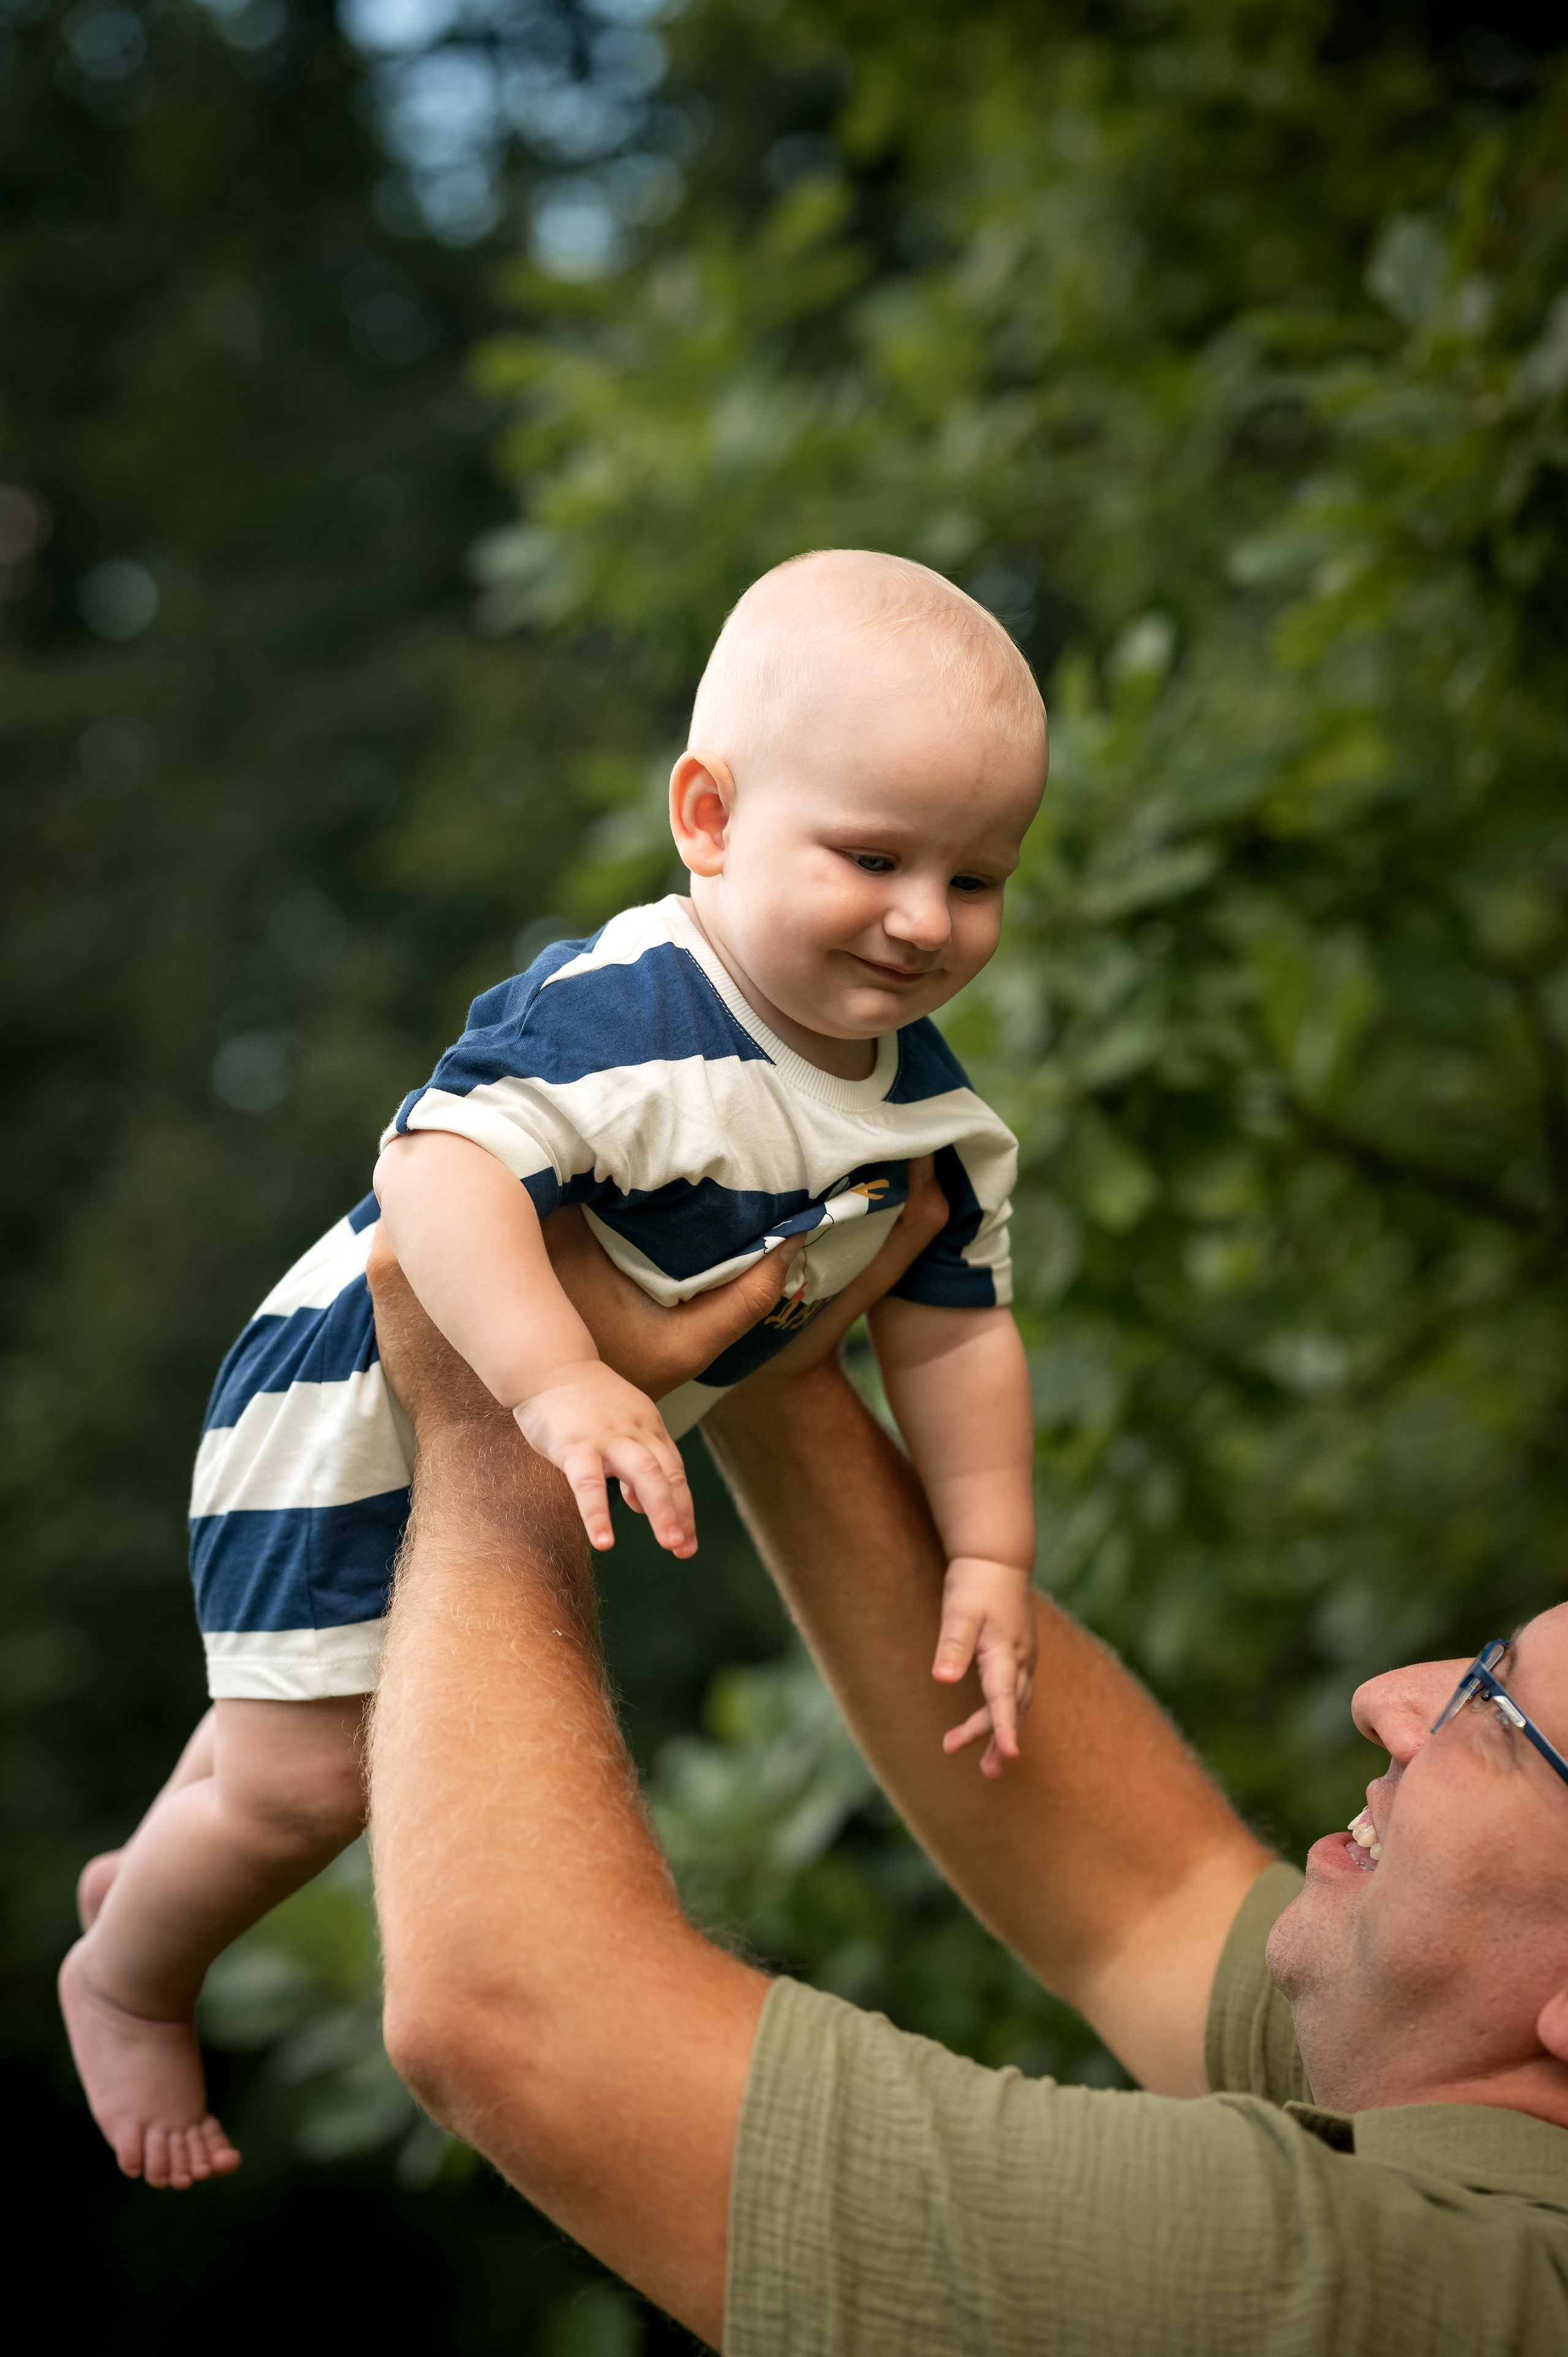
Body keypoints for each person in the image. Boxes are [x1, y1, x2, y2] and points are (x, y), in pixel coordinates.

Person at [59, 548, 1047, 2188]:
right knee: (313, 1787)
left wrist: (994, 1550)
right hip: (360, 1396)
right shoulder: (639, 1007)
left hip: (497, 1404)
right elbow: (435, 1165)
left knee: (278, 1737)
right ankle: (128, 1973)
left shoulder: (929, 1107)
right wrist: (555, 1382)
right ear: (710, 819)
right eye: (873, 857)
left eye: (980, 877)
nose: (926, 920)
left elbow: (954, 1322)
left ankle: (159, 1866)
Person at [368, 1175, 1568, 2356]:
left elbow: (516, 2012)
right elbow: (1142, 1900)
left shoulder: (1410, 2293)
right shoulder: (1473, 2117)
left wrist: (497, 1417)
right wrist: (768, 1355)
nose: (1384, 1701)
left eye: (1489, 1715)